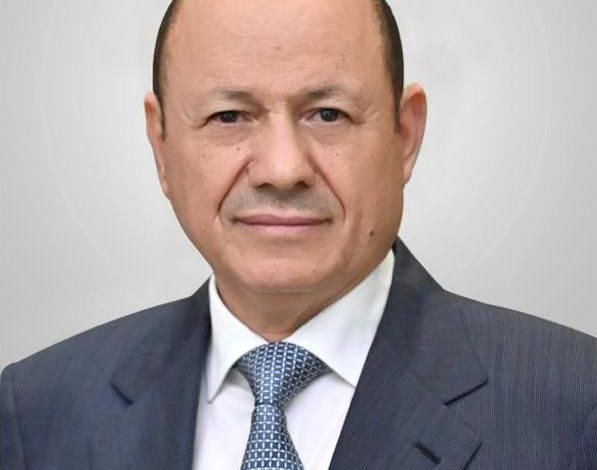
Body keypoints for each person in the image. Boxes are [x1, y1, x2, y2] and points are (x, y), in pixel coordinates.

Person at [1, 0, 596, 468]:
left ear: (406, 136)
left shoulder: (574, 408)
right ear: (161, 145)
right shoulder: (37, 410)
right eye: (229, 116)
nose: (283, 169)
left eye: (327, 114)